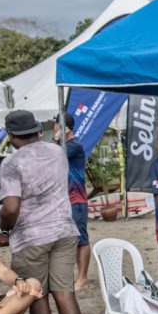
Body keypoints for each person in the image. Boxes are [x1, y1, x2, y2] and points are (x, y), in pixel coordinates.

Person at [0, 110, 85, 314]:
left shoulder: (11, 163)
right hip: (64, 229)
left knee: (37, 297)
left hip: (31, 235)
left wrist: (3, 230)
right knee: (65, 293)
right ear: (37, 130)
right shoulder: (58, 151)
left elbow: (11, 207)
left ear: (11, 136)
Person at [58, 113, 90, 290]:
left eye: (56, 126)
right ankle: (77, 276)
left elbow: (54, 156)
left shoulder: (74, 145)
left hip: (76, 199)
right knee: (70, 240)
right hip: (65, 199)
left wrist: (56, 139)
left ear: (65, 128)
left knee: (81, 239)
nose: (55, 130)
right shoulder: (65, 146)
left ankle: (83, 277)